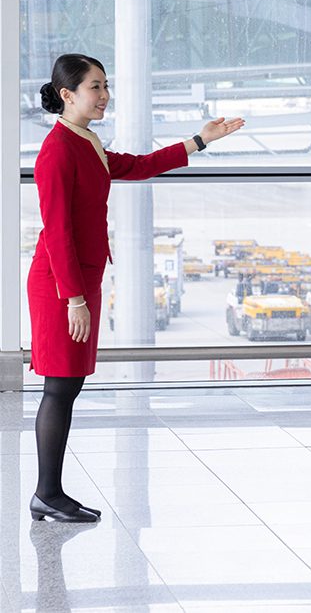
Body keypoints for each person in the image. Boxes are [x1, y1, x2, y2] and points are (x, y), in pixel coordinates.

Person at [28, 54, 244, 523]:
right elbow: (57, 230)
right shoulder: (57, 150)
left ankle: (50, 492)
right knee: (60, 386)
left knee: (68, 385)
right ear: (67, 94)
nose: (104, 96)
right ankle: (47, 493)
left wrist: (199, 141)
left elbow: (139, 165)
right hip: (62, 284)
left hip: (78, 279)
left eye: (106, 86)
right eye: (94, 87)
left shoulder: (86, 140)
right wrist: (75, 299)